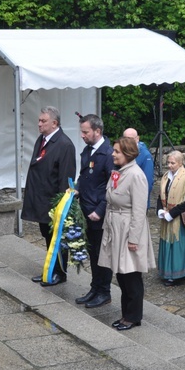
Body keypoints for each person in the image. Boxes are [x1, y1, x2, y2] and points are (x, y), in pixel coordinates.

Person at [100, 137, 155, 331]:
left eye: (117, 151)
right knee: (122, 274)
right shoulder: (119, 172)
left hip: (129, 228)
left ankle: (133, 316)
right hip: (116, 226)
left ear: (128, 153)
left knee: (131, 275)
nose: (113, 154)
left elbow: (139, 210)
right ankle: (126, 314)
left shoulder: (136, 175)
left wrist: (133, 239)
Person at [23, 106, 77, 286]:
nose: (39, 124)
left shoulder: (64, 144)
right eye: (39, 120)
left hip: (53, 202)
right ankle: (49, 269)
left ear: (54, 123)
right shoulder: (43, 139)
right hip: (41, 199)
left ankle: (60, 273)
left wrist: (61, 205)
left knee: (57, 238)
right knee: (47, 236)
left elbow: (65, 178)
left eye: (43, 121)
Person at [74, 114, 115, 308]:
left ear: (97, 131)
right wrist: (77, 189)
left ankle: (104, 291)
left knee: (102, 254)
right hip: (87, 211)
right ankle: (95, 287)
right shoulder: (88, 151)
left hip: (100, 213)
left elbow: (112, 186)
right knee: (92, 252)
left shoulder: (108, 154)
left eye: (85, 132)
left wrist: (100, 209)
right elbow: (84, 177)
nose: (82, 135)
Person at [156, 150, 185, 286]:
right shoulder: (165, 177)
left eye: (172, 163)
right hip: (167, 214)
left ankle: (180, 274)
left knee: (179, 246)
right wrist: (160, 210)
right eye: (168, 162)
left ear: (180, 163)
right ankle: (167, 272)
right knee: (167, 243)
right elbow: (159, 195)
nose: (169, 165)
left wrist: (171, 214)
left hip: (178, 218)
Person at [123, 128, 155, 205]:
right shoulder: (123, 152)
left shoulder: (145, 155)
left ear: (137, 139)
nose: (127, 142)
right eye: (124, 139)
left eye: (130, 139)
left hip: (138, 202)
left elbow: (148, 182)